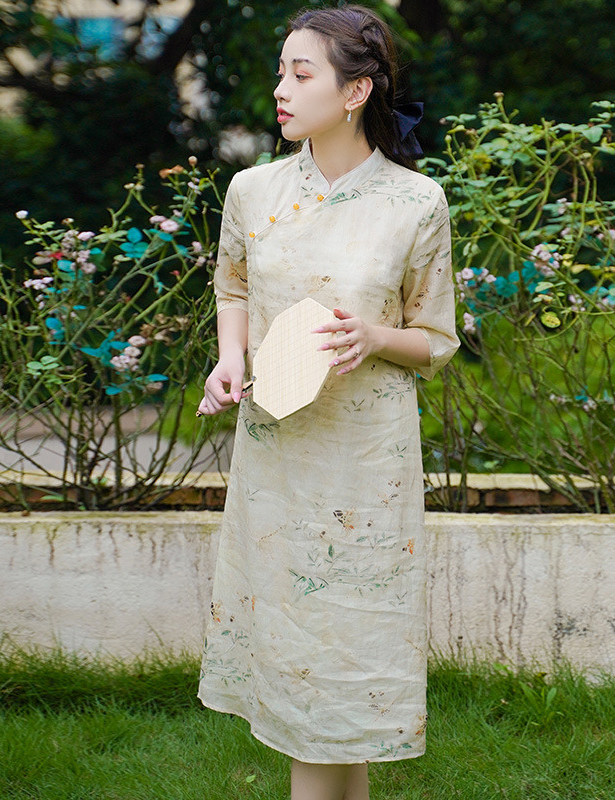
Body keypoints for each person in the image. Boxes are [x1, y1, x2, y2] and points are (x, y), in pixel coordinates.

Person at [196, 5, 459, 799]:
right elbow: (233, 287)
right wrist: (229, 359)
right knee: (299, 651)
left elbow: (436, 340)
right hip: (279, 454)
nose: (280, 89)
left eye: (300, 73)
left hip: (369, 461)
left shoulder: (417, 202)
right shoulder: (252, 190)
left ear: (355, 91)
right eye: (280, 72)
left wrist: (373, 337)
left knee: (353, 650)